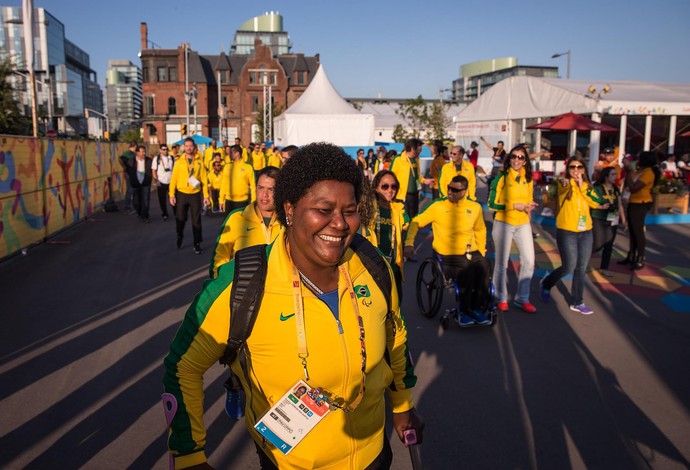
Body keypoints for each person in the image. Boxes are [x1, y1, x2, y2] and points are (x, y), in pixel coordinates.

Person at [163, 142, 423, 469]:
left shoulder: (375, 267)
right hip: (289, 463)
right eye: (324, 210)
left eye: (350, 210)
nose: (340, 224)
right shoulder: (242, 284)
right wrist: (188, 454)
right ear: (289, 209)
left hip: (373, 454)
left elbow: (395, 340)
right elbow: (182, 365)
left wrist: (401, 404)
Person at [404, 175, 492, 327]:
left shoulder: (474, 208)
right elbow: (416, 222)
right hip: (447, 254)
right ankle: (463, 311)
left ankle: (476, 308)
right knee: (467, 270)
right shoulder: (438, 206)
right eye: (449, 188)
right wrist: (409, 243)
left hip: (471, 251)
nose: (450, 192)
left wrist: (482, 250)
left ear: (464, 191)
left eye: (455, 190)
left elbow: (480, 230)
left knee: (485, 267)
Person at [540, 155, 610, 314]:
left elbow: (595, 202)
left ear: (584, 169)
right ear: (568, 169)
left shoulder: (587, 186)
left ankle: (577, 302)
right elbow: (562, 187)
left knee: (581, 267)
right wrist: (568, 183)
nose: (576, 170)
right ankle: (546, 284)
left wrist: (582, 186)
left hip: (585, 231)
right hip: (567, 231)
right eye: (572, 167)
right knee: (569, 266)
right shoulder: (563, 183)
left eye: (579, 167)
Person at [488, 144, 539, 313]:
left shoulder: (528, 178)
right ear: (509, 159)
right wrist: (513, 205)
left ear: (525, 161)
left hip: (523, 222)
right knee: (501, 264)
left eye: (521, 157)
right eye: (514, 156)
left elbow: (528, 199)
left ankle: (522, 298)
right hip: (503, 223)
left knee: (529, 261)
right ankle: (500, 298)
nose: (517, 160)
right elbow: (491, 204)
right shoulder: (501, 177)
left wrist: (528, 207)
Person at [209, 166, 282, 278]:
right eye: (260, 188)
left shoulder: (289, 221)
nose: (264, 195)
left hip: (278, 289)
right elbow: (219, 258)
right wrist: (221, 283)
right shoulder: (236, 218)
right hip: (244, 288)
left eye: (271, 189)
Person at [368, 170, 410, 300]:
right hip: (372, 266)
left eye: (394, 186)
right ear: (376, 188)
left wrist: (409, 244)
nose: (390, 190)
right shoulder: (368, 209)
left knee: (397, 302)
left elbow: (408, 226)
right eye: (385, 186)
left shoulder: (399, 209)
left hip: (393, 266)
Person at [620, 151, 660, 270]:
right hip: (633, 202)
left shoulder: (648, 173)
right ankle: (631, 255)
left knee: (638, 231)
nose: (637, 160)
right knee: (632, 230)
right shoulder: (640, 171)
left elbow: (634, 188)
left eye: (639, 158)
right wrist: (629, 172)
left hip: (641, 204)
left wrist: (628, 171)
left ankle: (640, 257)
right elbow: (629, 184)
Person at [169, 137, 210, 254]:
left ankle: (197, 243)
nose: (188, 148)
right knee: (180, 218)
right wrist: (172, 195)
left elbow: (204, 180)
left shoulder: (199, 162)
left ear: (194, 147)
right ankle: (179, 235)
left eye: (190, 146)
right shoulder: (179, 162)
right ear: (184, 147)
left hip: (195, 194)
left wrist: (206, 196)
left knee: (196, 220)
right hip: (181, 193)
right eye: (186, 146)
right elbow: (174, 179)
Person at [591, 166, 627, 277]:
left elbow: (620, 204)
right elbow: (591, 203)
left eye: (615, 174)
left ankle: (604, 267)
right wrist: (601, 206)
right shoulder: (597, 188)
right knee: (598, 244)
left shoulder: (616, 189)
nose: (615, 176)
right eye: (612, 174)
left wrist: (624, 219)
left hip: (613, 218)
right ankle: (581, 256)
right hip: (599, 218)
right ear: (606, 176)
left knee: (609, 244)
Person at [390, 138, 424, 219]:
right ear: (412, 148)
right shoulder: (398, 159)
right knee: (404, 219)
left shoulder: (416, 159)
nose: (420, 152)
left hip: (415, 195)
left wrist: (424, 180)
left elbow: (417, 176)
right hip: (402, 196)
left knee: (414, 217)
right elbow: (391, 176)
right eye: (419, 150)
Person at [220, 144, 256, 214]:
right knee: (229, 224)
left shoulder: (248, 167)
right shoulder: (227, 167)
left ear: (237, 153)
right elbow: (223, 184)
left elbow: (253, 186)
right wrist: (221, 200)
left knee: (242, 224)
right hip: (229, 201)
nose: (229, 154)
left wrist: (253, 201)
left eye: (231, 152)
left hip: (242, 201)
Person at [128, 145, 153, 223]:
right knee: (136, 201)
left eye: (144, 152)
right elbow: (128, 171)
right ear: (137, 152)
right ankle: (139, 212)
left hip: (145, 183)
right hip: (136, 183)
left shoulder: (149, 160)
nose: (144, 153)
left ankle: (145, 216)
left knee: (145, 200)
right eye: (142, 152)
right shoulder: (131, 161)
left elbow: (152, 170)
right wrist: (133, 179)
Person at [151, 143, 174, 221]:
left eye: (166, 149)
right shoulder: (156, 158)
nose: (165, 151)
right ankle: (164, 213)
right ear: (160, 150)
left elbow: (174, 170)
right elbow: (154, 170)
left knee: (173, 197)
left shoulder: (171, 158)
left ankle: (175, 212)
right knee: (162, 199)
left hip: (171, 181)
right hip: (161, 181)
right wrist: (156, 180)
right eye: (163, 149)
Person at [118, 141, 137, 213]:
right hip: (129, 173)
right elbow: (120, 159)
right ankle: (127, 206)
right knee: (130, 189)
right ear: (134, 146)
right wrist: (124, 167)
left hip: (132, 173)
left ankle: (130, 206)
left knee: (132, 190)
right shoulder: (128, 153)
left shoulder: (133, 154)